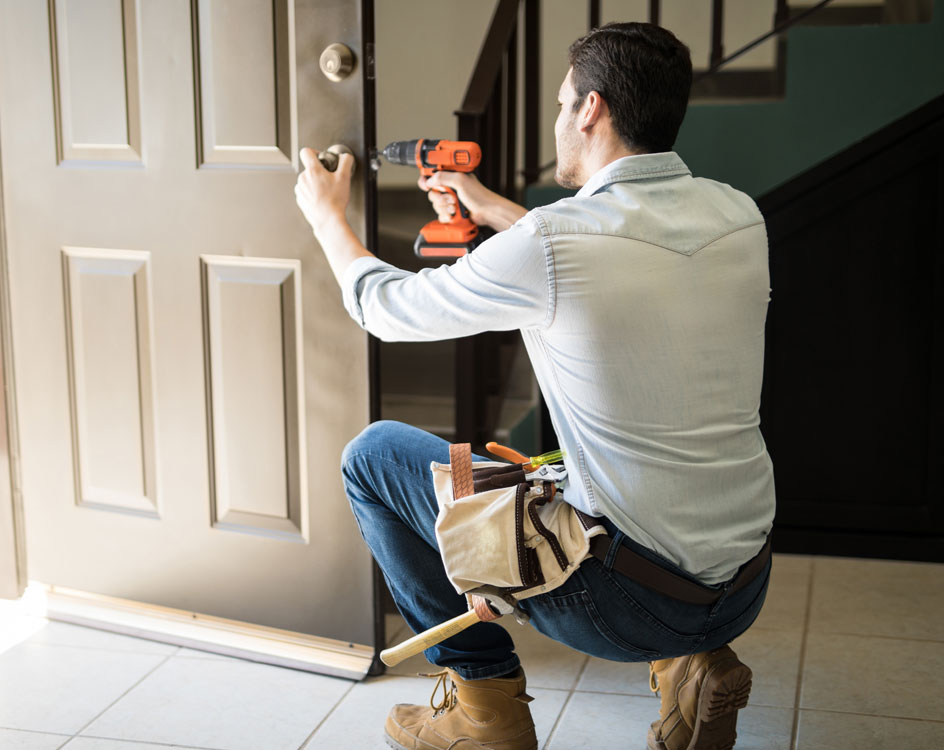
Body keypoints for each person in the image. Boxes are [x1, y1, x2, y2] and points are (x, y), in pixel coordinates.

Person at [295, 21, 775, 750]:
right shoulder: (738, 215)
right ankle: (692, 662)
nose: (557, 118)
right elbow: (609, 261)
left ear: (591, 110)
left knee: (374, 454)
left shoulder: (553, 242)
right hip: (742, 582)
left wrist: (330, 218)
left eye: (560, 103)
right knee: (597, 482)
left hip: (620, 600)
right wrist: (489, 208)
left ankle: (482, 706)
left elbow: (385, 309)